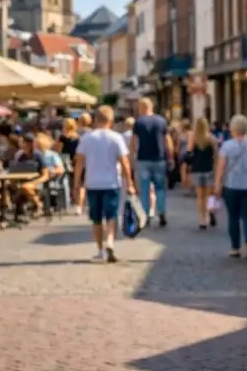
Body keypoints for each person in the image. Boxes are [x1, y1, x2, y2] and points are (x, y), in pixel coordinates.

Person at [74, 105, 134, 263]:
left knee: (96, 219)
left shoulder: (87, 138)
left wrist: (76, 183)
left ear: (95, 120)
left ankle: (100, 250)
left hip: (92, 183)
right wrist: (130, 183)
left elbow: (79, 162)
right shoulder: (116, 138)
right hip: (111, 183)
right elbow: (125, 162)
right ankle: (110, 242)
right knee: (111, 216)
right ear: (111, 120)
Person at [214, 114, 247, 261]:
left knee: (233, 217)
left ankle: (235, 248)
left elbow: (221, 167)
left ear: (233, 129)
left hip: (231, 185)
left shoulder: (227, 146)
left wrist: (217, 183)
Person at [131, 98, 173, 227]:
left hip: (143, 159)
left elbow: (134, 142)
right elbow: (167, 140)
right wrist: (171, 156)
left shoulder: (138, 123)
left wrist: (132, 156)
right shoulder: (161, 121)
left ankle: (145, 215)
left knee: (144, 188)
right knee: (160, 187)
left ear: (142, 108)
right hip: (159, 158)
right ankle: (161, 212)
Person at [186, 117, 217, 229]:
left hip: (197, 170)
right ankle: (210, 212)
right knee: (209, 195)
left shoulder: (193, 138)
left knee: (200, 197)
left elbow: (188, 156)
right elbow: (216, 156)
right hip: (209, 169)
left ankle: (202, 220)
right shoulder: (211, 138)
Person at [12, 134, 49, 219]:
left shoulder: (38, 155)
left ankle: (39, 206)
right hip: (23, 181)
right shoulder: (22, 156)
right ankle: (16, 206)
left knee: (25, 187)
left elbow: (45, 175)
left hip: (37, 181)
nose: (20, 144)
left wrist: (34, 182)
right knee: (9, 185)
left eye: (22, 142)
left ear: (28, 144)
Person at [56, 118, 82, 215]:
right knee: (77, 184)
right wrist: (74, 160)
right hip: (76, 162)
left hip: (64, 162)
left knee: (66, 184)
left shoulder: (62, 137)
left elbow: (58, 151)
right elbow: (79, 151)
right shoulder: (78, 137)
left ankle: (65, 204)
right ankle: (79, 206)